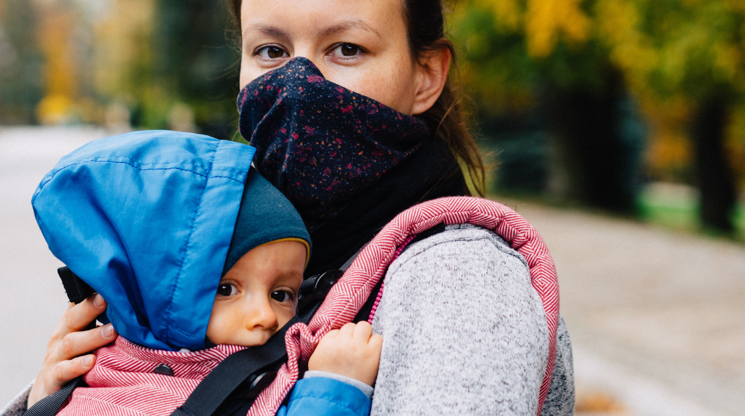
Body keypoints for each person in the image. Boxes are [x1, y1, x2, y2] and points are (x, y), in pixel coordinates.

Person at [7, 0, 576, 414]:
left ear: (425, 76)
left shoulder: (459, 280)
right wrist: (61, 396)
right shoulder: (222, 246)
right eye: (271, 51)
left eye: (346, 49)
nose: (299, 84)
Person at [27, 131, 381, 416]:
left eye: (281, 294)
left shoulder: (273, 363)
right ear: (150, 296)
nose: (264, 317)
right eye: (226, 289)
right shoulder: (105, 400)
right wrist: (334, 389)